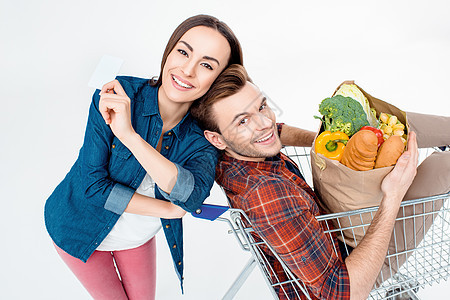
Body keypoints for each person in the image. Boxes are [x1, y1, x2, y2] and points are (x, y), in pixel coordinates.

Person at [44, 15, 243, 299]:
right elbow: (92, 187)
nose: (187, 70)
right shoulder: (118, 95)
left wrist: (130, 137)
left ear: (219, 79)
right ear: (169, 50)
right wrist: (170, 210)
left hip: (136, 238)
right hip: (77, 227)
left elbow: (192, 194)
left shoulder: (204, 136)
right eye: (183, 52)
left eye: (207, 65)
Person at [190, 64, 421, 300]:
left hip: (330, 241)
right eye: (242, 122)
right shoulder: (268, 194)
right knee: (440, 170)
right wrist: (393, 197)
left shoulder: (230, 154)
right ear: (216, 139)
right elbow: (343, 295)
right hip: (349, 275)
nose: (264, 123)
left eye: (262, 106)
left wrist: (331, 141)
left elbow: (277, 130)